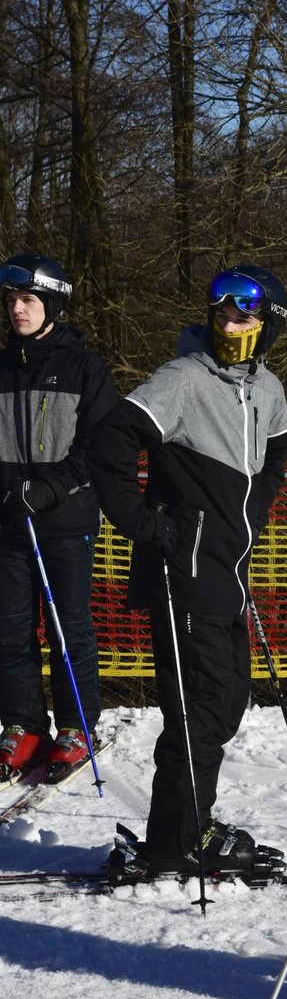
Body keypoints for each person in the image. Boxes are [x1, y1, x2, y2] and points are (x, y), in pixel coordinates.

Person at [88, 264, 287, 879]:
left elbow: (278, 451)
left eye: (245, 315)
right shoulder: (182, 379)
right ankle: (176, 841)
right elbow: (111, 442)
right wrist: (147, 525)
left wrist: (250, 515)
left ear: (270, 323)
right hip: (184, 569)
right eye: (222, 312)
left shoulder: (268, 388)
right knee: (198, 710)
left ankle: (186, 825)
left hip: (227, 571)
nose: (230, 323)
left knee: (225, 704)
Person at [0, 253, 117, 783]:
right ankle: (23, 725)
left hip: (65, 521)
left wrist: (46, 490)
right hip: (8, 521)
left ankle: (76, 725)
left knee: (68, 629)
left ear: (51, 305)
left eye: (27, 300)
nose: (16, 309)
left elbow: (98, 450)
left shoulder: (85, 369)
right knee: (10, 629)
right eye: (11, 300)